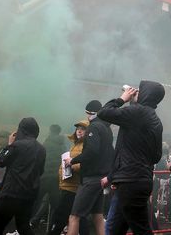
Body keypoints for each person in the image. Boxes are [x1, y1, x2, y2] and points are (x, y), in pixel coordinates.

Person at [97, 80, 165, 235]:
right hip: (139, 179)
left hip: (131, 181)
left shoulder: (139, 113)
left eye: (140, 91)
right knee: (115, 230)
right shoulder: (153, 118)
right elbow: (156, 156)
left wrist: (122, 98)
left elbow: (103, 112)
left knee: (141, 230)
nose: (136, 92)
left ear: (146, 94)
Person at [64, 100, 114, 235]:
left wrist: (73, 160)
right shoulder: (107, 129)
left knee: (74, 216)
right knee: (97, 216)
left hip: (91, 179)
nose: (87, 116)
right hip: (102, 178)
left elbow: (92, 151)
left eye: (88, 113)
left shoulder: (94, 127)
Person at [0, 117, 46, 235]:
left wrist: (9, 144)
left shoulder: (17, 145)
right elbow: (41, 171)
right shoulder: (41, 149)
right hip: (29, 194)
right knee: (23, 226)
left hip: (11, 193)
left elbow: (1, 161)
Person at [48, 119, 90, 235]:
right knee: (78, 218)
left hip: (73, 187)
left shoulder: (86, 146)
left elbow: (86, 165)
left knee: (60, 216)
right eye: (78, 129)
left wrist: (71, 166)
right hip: (69, 186)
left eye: (83, 129)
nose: (79, 131)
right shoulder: (76, 145)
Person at [31, 124, 66, 228]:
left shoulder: (45, 144)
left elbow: (38, 161)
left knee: (36, 201)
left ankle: (29, 224)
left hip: (44, 177)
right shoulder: (63, 146)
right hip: (56, 179)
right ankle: (52, 228)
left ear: (50, 131)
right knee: (55, 205)